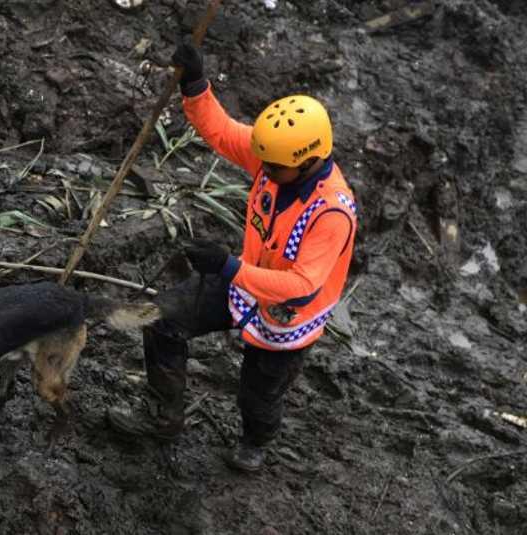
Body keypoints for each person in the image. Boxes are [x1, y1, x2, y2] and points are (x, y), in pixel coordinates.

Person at [107, 39, 358, 472]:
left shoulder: (332, 212)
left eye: (275, 168)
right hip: (244, 280)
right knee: (162, 320)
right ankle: (162, 418)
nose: (264, 171)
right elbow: (222, 132)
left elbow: (302, 285)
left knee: (258, 396)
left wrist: (228, 267)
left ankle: (256, 442)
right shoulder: (274, 161)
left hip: (287, 316)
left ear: (310, 160)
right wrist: (196, 85)